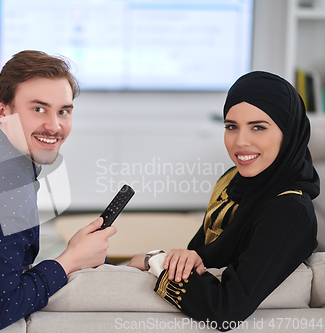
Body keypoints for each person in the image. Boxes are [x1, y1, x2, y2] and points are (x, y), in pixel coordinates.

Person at [0, 50, 117, 331]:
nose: (54, 125)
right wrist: (71, 259)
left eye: (63, 111)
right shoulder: (8, 185)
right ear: (3, 111)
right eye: (38, 109)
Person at [128, 71, 319, 331]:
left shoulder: (289, 212)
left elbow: (227, 310)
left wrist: (155, 261)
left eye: (258, 127)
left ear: (289, 132)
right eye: (231, 127)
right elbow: (196, 253)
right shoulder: (232, 180)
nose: (240, 142)